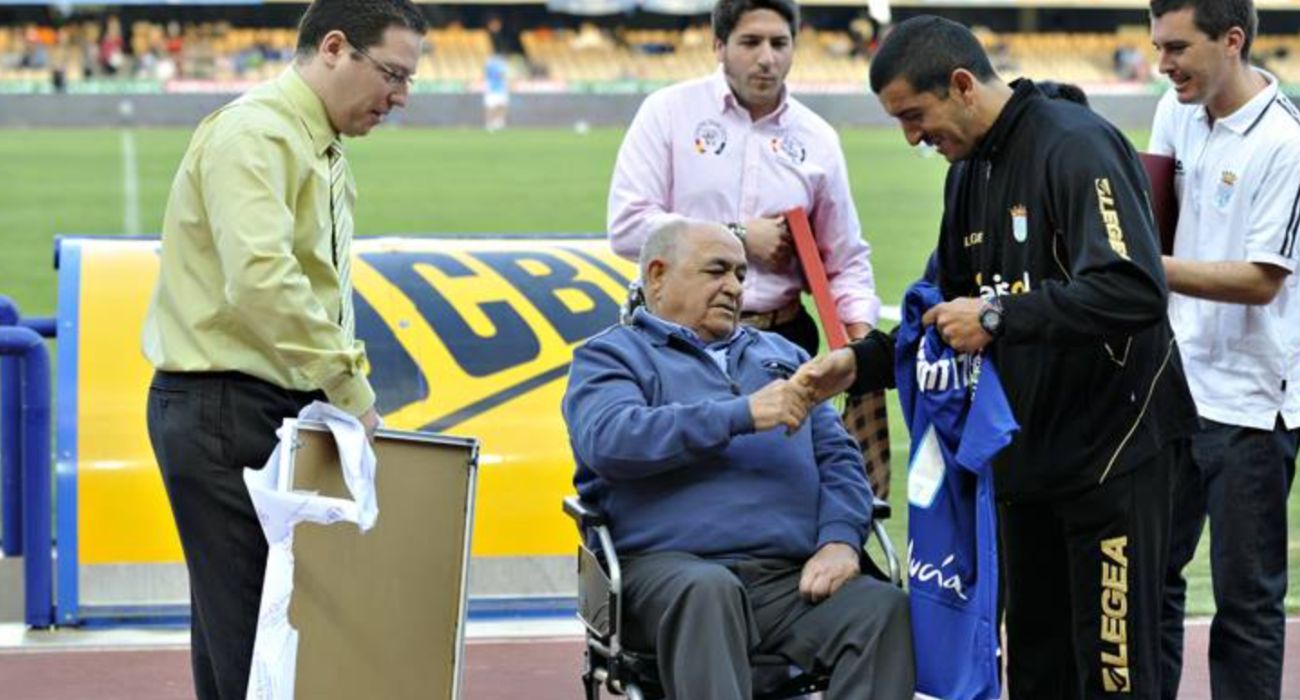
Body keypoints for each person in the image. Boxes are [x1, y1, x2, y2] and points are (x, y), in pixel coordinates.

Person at [855, 15, 1199, 699]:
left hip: (1114, 458)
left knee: (1115, 674)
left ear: (960, 84)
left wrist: (997, 315)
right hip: (1024, 462)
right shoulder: (969, 174)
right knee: (1037, 671)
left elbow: (1134, 289)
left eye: (915, 116)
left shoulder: (1076, 146)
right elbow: (940, 308)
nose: (912, 137)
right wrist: (858, 364)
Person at [139, 1, 425, 697]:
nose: (401, 97)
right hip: (225, 408)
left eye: (410, 80)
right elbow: (263, 280)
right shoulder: (257, 134)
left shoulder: (317, 145)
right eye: (392, 73)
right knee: (256, 644)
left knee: (247, 636)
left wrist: (333, 385)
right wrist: (352, 390)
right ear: (334, 48)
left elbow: (319, 288)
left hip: (266, 405)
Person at [561, 220, 915, 700]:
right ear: (658, 275)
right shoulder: (611, 357)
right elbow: (610, 440)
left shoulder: (783, 355)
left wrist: (840, 541)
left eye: (741, 275)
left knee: (881, 608)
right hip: (668, 574)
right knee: (708, 591)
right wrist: (739, 415)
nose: (734, 287)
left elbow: (839, 460)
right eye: (717, 271)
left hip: (786, 579)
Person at [1148, 2, 1300, 698]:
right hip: (1172, 385)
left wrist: (1143, 268)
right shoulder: (1174, 108)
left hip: (1251, 403)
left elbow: (1262, 280)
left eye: (1178, 47)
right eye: (1159, 46)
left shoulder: (1286, 142)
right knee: (1150, 578)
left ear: (1232, 40)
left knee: (1246, 601)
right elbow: (1156, 222)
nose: (1162, 63)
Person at [607, 0, 880, 356]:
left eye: (779, 43)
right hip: (675, 339)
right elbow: (628, 227)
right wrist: (737, 235)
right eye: (750, 42)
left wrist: (861, 347)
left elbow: (845, 261)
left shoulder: (818, 138)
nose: (767, 58)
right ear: (719, 46)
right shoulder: (668, 112)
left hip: (779, 341)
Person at [483, 51, 509, 132]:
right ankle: (489, 123)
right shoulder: (490, 65)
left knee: (502, 105)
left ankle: (499, 122)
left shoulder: (500, 64)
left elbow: (503, 75)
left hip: (501, 88)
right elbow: (501, 74)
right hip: (492, 89)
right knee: (491, 107)